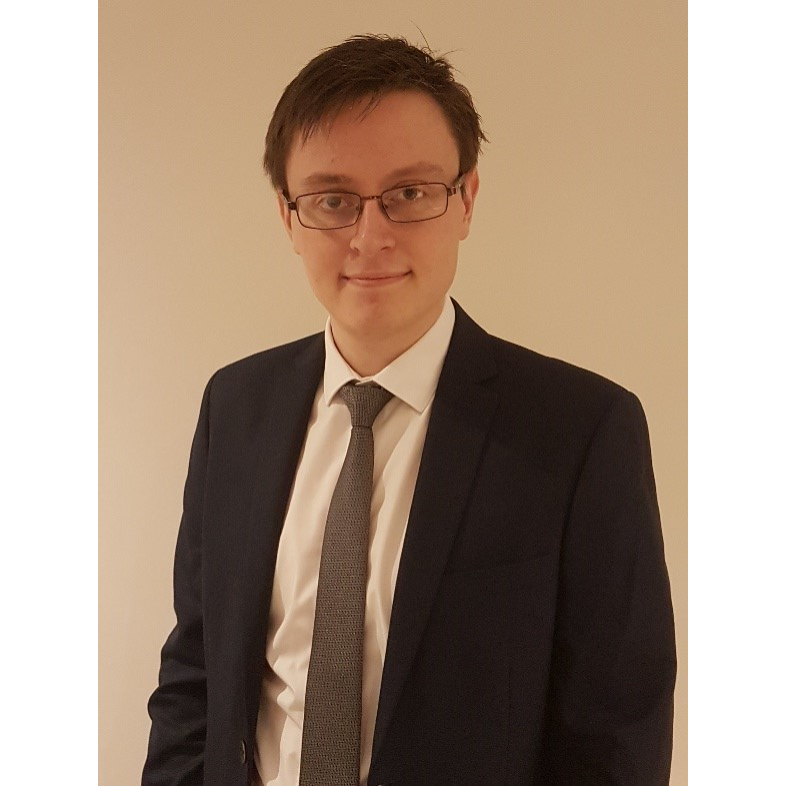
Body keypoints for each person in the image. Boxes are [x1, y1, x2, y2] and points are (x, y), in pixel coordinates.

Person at [142, 33, 677, 786]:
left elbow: (616, 735)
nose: (370, 236)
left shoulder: (582, 431)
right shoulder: (235, 407)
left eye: (410, 193)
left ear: (466, 201)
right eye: (332, 200)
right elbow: (196, 673)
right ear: (289, 218)